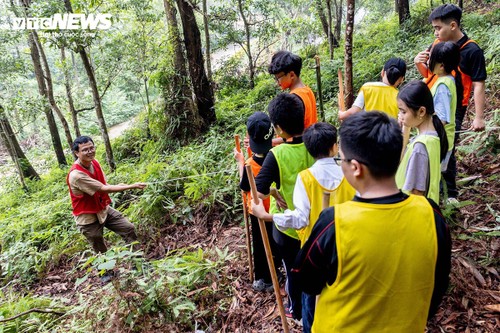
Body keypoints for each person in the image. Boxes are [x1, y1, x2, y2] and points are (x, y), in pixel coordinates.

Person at [292, 111, 451, 333]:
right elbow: (439, 283)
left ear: (356, 167)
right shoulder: (432, 215)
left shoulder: (334, 223)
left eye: (342, 159)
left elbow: (305, 281)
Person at [252, 122, 355, 331]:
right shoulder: (349, 173)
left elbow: (300, 218)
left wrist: (269, 215)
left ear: (309, 149)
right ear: (335, 147)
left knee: (311, 303)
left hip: (314, 250)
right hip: (346, 246)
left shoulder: (305, 178)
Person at [414, 3, 487, 202]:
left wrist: (479, 117)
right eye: (434, 29)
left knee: (447, 145)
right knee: (429, 142)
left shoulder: (472, 50)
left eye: (438, 28)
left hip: (455, 106)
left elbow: (479, 84)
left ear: (453, 25)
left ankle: (449, 193)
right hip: (431, 101)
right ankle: (428, 186)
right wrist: (418, 62)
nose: (436, 33)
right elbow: (430, 74)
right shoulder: (437, 44)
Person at [255, 93, 315, 320]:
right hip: (317, 222)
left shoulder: (277, 154)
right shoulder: (316, 142)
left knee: (293, 271)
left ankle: (296, 310)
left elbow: (258, 192)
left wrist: (272, 190)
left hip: (288, 226)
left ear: (278, 129)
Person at [67, 136, 147, 281]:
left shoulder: (95, 163)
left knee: (128, 228)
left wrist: (120, 184)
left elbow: (102, 183)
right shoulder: (76, 175)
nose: (90, 151)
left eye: (91, 148)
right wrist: (131, 186)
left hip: (102, 208)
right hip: (87, 217)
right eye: (85, 150)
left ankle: (139, 263)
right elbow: (103, 188)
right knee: (99, 245)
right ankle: (106, 275)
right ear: (76, 153)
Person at [234, 112, 280, 292]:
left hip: (256, 210)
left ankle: (264, 279)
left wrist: (240, 162)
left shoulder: (249, 163)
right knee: (274, 244)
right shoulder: (276, 156)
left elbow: (244, 187)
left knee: (260, 246)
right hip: (273, 211)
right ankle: (273, 277)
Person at [396, 80, 449, 203]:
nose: (400, 115)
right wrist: (406, 125)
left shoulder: (420, 146)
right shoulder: (432, 137)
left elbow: (417, 193)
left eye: (403, 111)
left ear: (421, 111)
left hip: (411, 216)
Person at [339, 57, 406, 120]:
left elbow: (354, 112)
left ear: (382, 72)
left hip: (369, 131)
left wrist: (342, 115)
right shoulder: (400, 97)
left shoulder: (367, 87)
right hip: (390, 132)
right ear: (402, 79)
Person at [268, 50, 318, 131]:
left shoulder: (293, 99)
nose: (277, 83)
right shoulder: (307, 91)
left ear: (291, 75)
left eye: (278, 78)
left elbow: (292, 136)